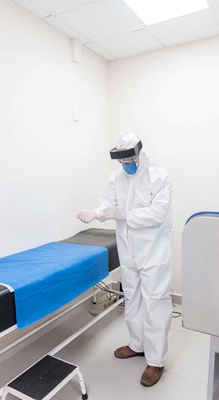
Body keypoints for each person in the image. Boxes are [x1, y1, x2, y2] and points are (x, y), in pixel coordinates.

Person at [76, 130, 173, 387]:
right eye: (122, 162)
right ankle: (137, 345)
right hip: (128, 251)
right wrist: (96, 213)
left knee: (155, 302)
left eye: (129, 161)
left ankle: (156, 360)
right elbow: (108, 204)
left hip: (153, 251)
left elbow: (157, 214)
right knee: (133, 298)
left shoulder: (158, 177)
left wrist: (124, 215)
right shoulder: (115, 178)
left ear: (139, 154)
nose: (126, 166)